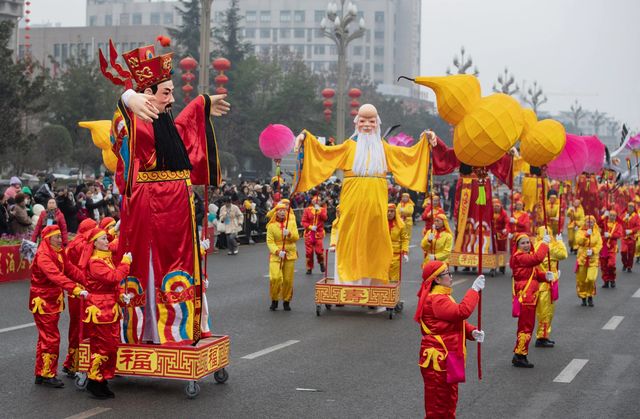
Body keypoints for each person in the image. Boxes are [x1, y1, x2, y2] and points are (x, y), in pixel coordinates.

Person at [98, 39, 230, 344]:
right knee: (153, 261)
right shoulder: (134, 121)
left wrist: (201, 104)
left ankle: (183, 327)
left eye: (171, 92)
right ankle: (152, 332)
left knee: (182, 262)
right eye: (166, 93)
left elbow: (182, 132)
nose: (171, 99)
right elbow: (120, 133)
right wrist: (127, 98)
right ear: (147, 95)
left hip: (176, 204)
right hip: (151, 204)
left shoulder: (163, 123)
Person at [294, 104, 431, 284]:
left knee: (377, 237)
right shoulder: (349, 146)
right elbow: (325, 153)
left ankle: (374, 283)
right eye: (363, 120)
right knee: (349, 234)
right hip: (352, 197)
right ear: (357, 122)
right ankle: (346, 282)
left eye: (371, 121)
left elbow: (408, 156)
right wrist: (305, 137)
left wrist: (425, 140)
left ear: (377, 123)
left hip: (377, 199)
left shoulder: (384, 148)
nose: (367, 125)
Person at [415, 261, 485, 418]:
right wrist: (474, 290)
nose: (450, 276)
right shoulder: (437, 299)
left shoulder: (443, 296)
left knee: (449, 400)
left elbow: (453, 321)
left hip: (451, 355)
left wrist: (471, 332)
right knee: (438, 404)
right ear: (437, 279)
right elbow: (462, 312)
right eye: (447, 273)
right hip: (440, 358)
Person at [29, 225, 88, 388]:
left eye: (60, 237)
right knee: (51, 338)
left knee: (45, 338)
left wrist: (87, 281)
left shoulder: (58, 251)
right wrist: (74, 288)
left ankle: (41, 373)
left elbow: (70, 270)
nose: (60, 239)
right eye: (57, 237)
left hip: (53, 300)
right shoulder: (43, 255)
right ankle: (47, 374)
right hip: (43, 300)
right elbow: (56, 276)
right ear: (48, 239)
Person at [79, 228, 131, 398]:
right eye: (103, 239)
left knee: (111, 346)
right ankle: (94, 380)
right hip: (99, 308)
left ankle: (103, 378)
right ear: (94, 242)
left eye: (106, 238)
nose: (107, 241)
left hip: (110, 307)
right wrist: (125, 264)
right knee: (103, 346)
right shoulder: (95, 262)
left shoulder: (105, 259)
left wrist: (121, 296)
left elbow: (112, 285)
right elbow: (113, 277)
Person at [510, 233, 552, 368]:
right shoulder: (519, 256)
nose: (526, 245)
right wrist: (545, 244)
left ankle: (520, 354)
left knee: (528, 326)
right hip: (526, 297)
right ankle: (520, 355)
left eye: (528, 242)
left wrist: (546, 276)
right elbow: (538, 258)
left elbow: (534, 274)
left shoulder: (525, 257)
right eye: (523, 243)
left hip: (531, 296)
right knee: (526, 327)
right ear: (517, 246)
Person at [62, 218, 97, 377]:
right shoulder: (80, 245)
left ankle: (74, 362)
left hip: (77, 290)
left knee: (78, 326)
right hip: (79, 291)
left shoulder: (74, 243)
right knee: (80, 327)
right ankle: (73, 363)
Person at [534, 227, 567, 348]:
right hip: (545, 285)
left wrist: (555, 274)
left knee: (546, 312)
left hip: (546, 282)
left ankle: (544, 335)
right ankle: (541, 337)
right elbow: (563, 254)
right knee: (546, 312)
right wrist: (560, 242)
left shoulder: (536, 244)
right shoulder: (549, 246)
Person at [266, 201, 299, 311]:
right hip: (276, 255)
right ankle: (274, 299)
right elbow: (270, 241)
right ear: (276, 212)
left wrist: (289, 234)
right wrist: (277, 251)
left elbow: (296, 237)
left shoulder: (291, 223)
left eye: (284, 210)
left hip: (290, 253)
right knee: (275, 277)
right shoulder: (271, 226)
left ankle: (286, 300)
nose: (282, 212)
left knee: (288, 280)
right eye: (280, 210)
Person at [575, 215, 603, 307]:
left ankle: (590, 295)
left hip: (593, 259)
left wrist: (594, 250)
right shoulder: (580, 231)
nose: (589, 224)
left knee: (591, 278)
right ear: (585, 222)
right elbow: (578, 241)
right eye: (588, 222)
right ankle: (583, 297)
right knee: (581, 280)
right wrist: (586, 235)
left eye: (591, 222)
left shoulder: (596, 232)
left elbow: (599, 244)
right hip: (582, 258)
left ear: (594, 223)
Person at [301, 196, 327, 275]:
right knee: (309, 252)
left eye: (318, 200)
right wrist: (310, 227)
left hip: (318, 234)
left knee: (319, 251)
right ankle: (309, 268)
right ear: (312, 201)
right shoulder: (307, 210)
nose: (316, 201)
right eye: (315, 200)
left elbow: (325, 218)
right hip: (309, 234)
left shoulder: (323, 209)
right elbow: (304, 221)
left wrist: (319, 210)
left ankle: (321, 263)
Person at [599, 210, 623, 288]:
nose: (612, 217)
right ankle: (606, 281)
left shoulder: (618, 225)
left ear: (616, 217)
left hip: (612, 248)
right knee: (604, 265)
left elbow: (619, 235)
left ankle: (612, 279)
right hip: (604, 247)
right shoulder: (604, 222)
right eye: (611, 215)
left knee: (611, 264)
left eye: (614, 215)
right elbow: (597, 223)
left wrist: (610, 235)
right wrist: (603, 216)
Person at [387, 204, 409, 282]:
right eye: (388, 211)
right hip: (382, 253)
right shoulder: (381, 224)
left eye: (392, 211)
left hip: (395, 254)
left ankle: (393, 293)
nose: (389, 213)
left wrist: (405, 252)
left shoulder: (400, 224)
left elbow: (405, 239)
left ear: (395, 212)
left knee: (394, 277)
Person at [621, 202, 639, 273]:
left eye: (632, 207)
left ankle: (629, 266)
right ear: (627, 207)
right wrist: (624, 219)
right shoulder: (623, 215)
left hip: (632, 237)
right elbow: (619, 223)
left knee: (631, 253)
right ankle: (625, 264)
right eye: (629, 206)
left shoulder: (636, 216)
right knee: (623, 251)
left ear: (634, 208)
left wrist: (631, 231)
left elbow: (638, 226)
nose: (630, 208)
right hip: (624, 237)